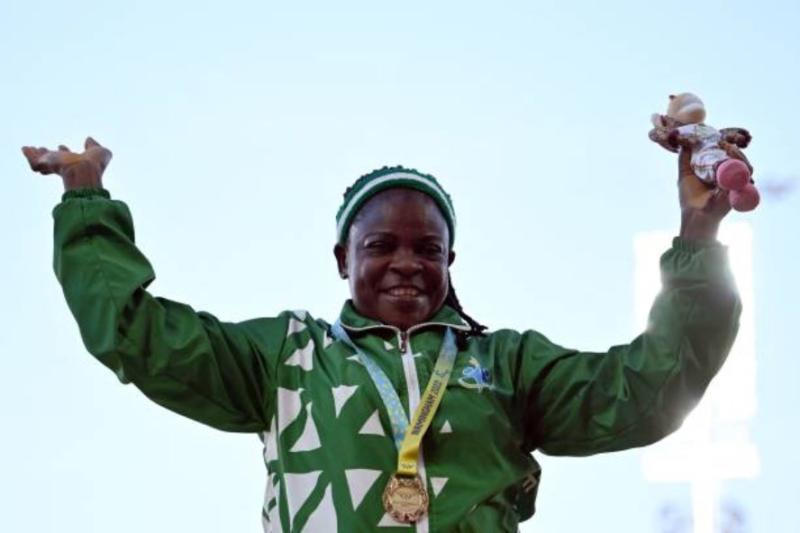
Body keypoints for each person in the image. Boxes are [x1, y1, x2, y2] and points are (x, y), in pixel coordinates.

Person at [22, 138, 741, 532]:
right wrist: (86, 204)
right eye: (380, 247)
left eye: (427, 248)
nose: (406, 263)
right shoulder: (288, 357)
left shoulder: (505, 362)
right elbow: (140, 337)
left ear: (450, 261)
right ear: (343, 259)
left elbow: (651, 387)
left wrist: (699, 233)